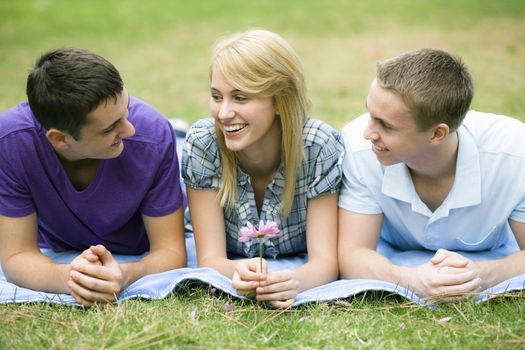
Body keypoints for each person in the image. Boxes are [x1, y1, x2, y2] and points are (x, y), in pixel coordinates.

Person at [0, 47, 187, 307]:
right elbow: (17, 255)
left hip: (136, 243)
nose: (129, 129)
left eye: (126, 111)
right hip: (57, 243)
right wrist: (76, 278)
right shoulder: (11, 142)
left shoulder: (152, 135)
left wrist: (123, 276)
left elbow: (172, 252)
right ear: (60, 139)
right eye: (111, 127)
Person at [338, 48, 525, 301]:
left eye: (386, 125)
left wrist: (482, 274)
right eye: (370, 115)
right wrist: (411, 280)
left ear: (437, 134)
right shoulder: (356, 148)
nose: (367, 132)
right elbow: (351, 253)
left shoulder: (513, 153)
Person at [182, 29, 343, 308]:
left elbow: (326, 263)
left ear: (280, 101)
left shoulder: (318, 147)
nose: (223, 113)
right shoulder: (203, 144)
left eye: (241, 98)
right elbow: (209, 259)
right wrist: (236, 271)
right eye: (217, 96)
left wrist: (292, 281)